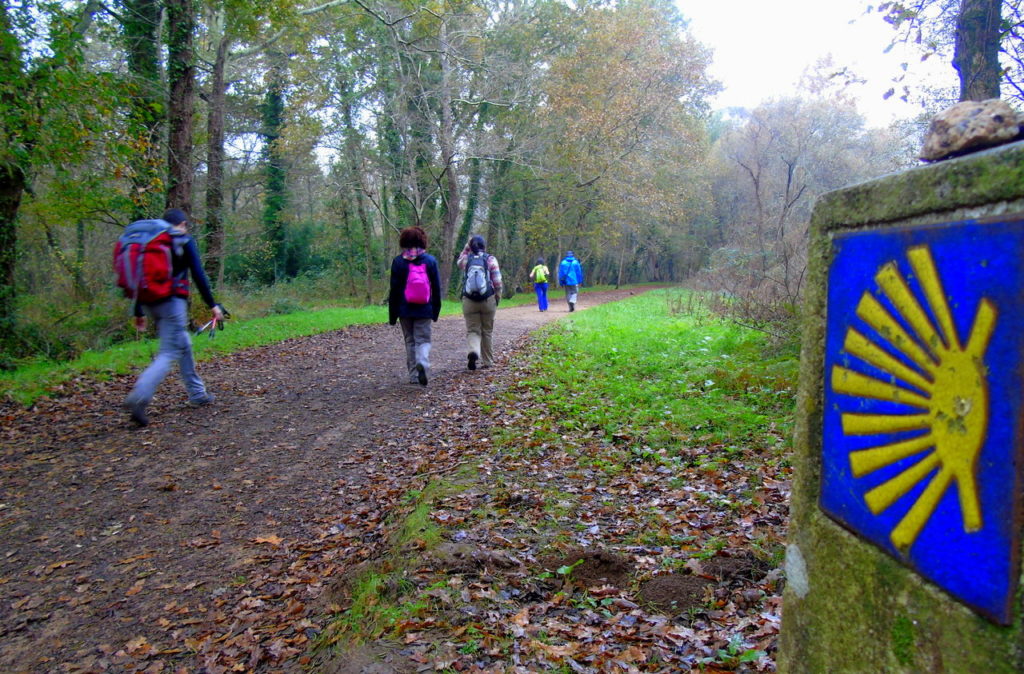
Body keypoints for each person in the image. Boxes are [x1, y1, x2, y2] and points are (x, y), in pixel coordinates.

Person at [124, 208, 225, 427]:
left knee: (182, 342)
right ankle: (140, 396)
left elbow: (140, 278)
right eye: (186, 225)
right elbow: (198, 274)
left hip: (149, 302)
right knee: (169, 352)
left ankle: (197, 394)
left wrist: (139, 312)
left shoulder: (148, 243)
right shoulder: (181, 240)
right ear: (182, 224)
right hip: (172, 303)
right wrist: (213, 305)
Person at [388, 226, 442, 386]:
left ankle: (413, 375)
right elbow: (437, 288)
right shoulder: (430, 261)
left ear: (404, 241)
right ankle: (422, 363)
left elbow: (394, 290)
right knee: (423, 339)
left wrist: (392, 314)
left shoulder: (398, 262)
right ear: (422, 241)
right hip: (424, 308)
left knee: (410, 341)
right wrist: (436, 310)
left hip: (404, 309)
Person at [457, 235, 502, 370]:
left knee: (473, 330)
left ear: (471, 247)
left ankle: (474, 351)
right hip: (488, 299)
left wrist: (466, 249)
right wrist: (497, 297)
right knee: (487, 331)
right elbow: (497, 281)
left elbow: (459, 263)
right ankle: (487, 361)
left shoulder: (466, 260)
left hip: (469, 300)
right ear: (484, 246)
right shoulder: (490, 259)